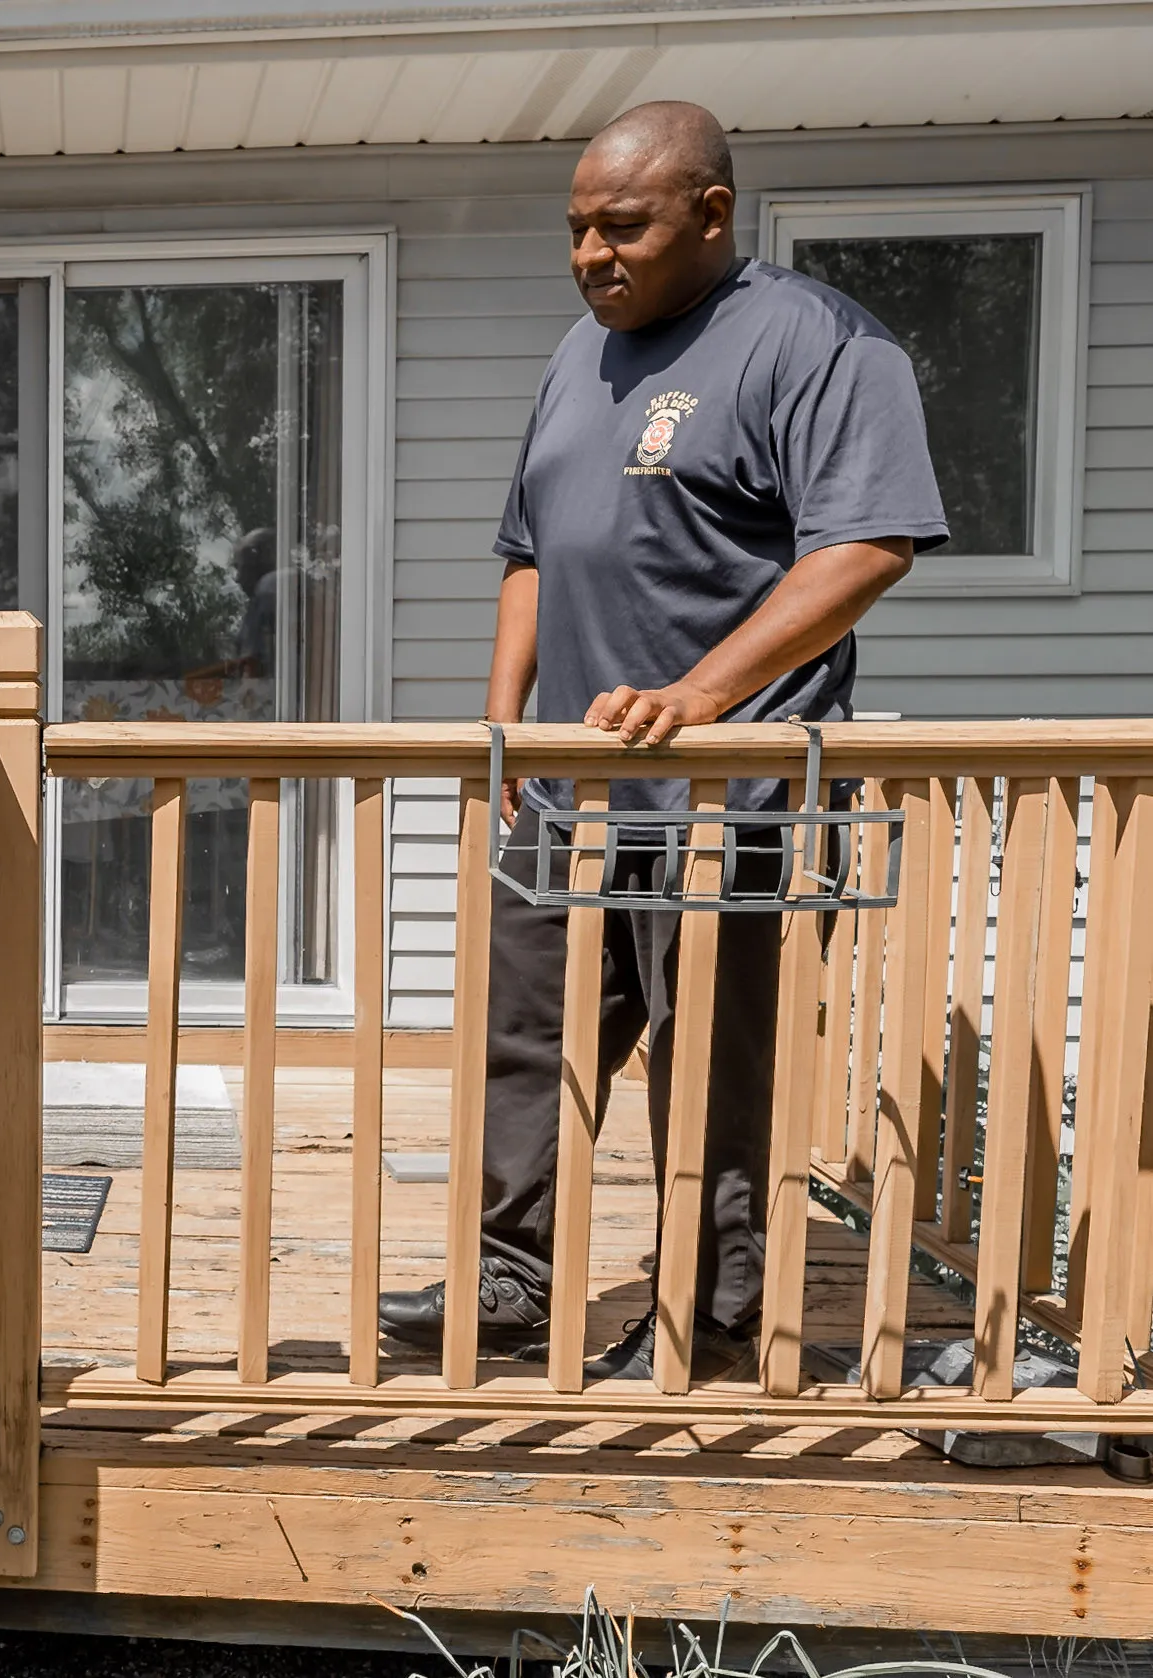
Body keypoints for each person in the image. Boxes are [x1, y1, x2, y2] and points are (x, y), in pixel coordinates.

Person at [375, 102, 948, 1380]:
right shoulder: (578, 358)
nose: (590, 255)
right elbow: (531, 552)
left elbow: (865, 547)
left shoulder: (817, 343)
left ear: (710, 211)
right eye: (576, 230)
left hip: (729, 797)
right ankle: (511, 1285)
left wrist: (700, 696)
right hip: (574, 793)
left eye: (620, 226)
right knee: (526, 1044)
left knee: (707, 1064)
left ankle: (714, 1310)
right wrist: (509, 725)